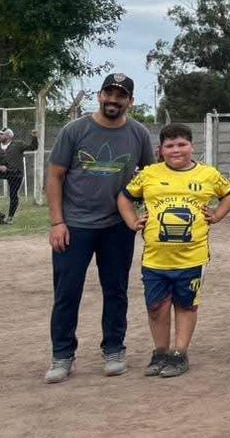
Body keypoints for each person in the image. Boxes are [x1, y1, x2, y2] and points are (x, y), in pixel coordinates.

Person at [45, 73, 155, 383]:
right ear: (99, 95)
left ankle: (114, 348)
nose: (113, 100)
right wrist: (57, 222)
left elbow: (150, 178)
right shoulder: (75, 130)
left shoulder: (139, 134)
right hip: (74, 226)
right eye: (109, 93)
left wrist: (146, 214)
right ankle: (62, 355)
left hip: (117, 227)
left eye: (121, 95)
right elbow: (55, 176)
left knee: (116, 290)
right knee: (67, 292)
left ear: (130, 101)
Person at [118, 123, 230, 378]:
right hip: (155, 259)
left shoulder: (207, 174)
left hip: (192, 258)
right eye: (170, 145)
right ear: (160, 150)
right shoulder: (149, 174)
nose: (176, 150)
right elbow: (124, 197)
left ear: (192, 146)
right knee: (156, 308)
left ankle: (179, 354)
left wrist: (217, 214)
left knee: (186, 306)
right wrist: (132, 221)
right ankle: (160, 353)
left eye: (182, 144)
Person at [0, 127, 38, 223]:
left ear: (8, 136)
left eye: (1, 134)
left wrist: (34, 137)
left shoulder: (18, 144)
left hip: (15, 173)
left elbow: (33, 147)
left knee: (13, 195)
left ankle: (10, 218)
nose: (0, 136)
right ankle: (1, 217)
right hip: (2, 171)